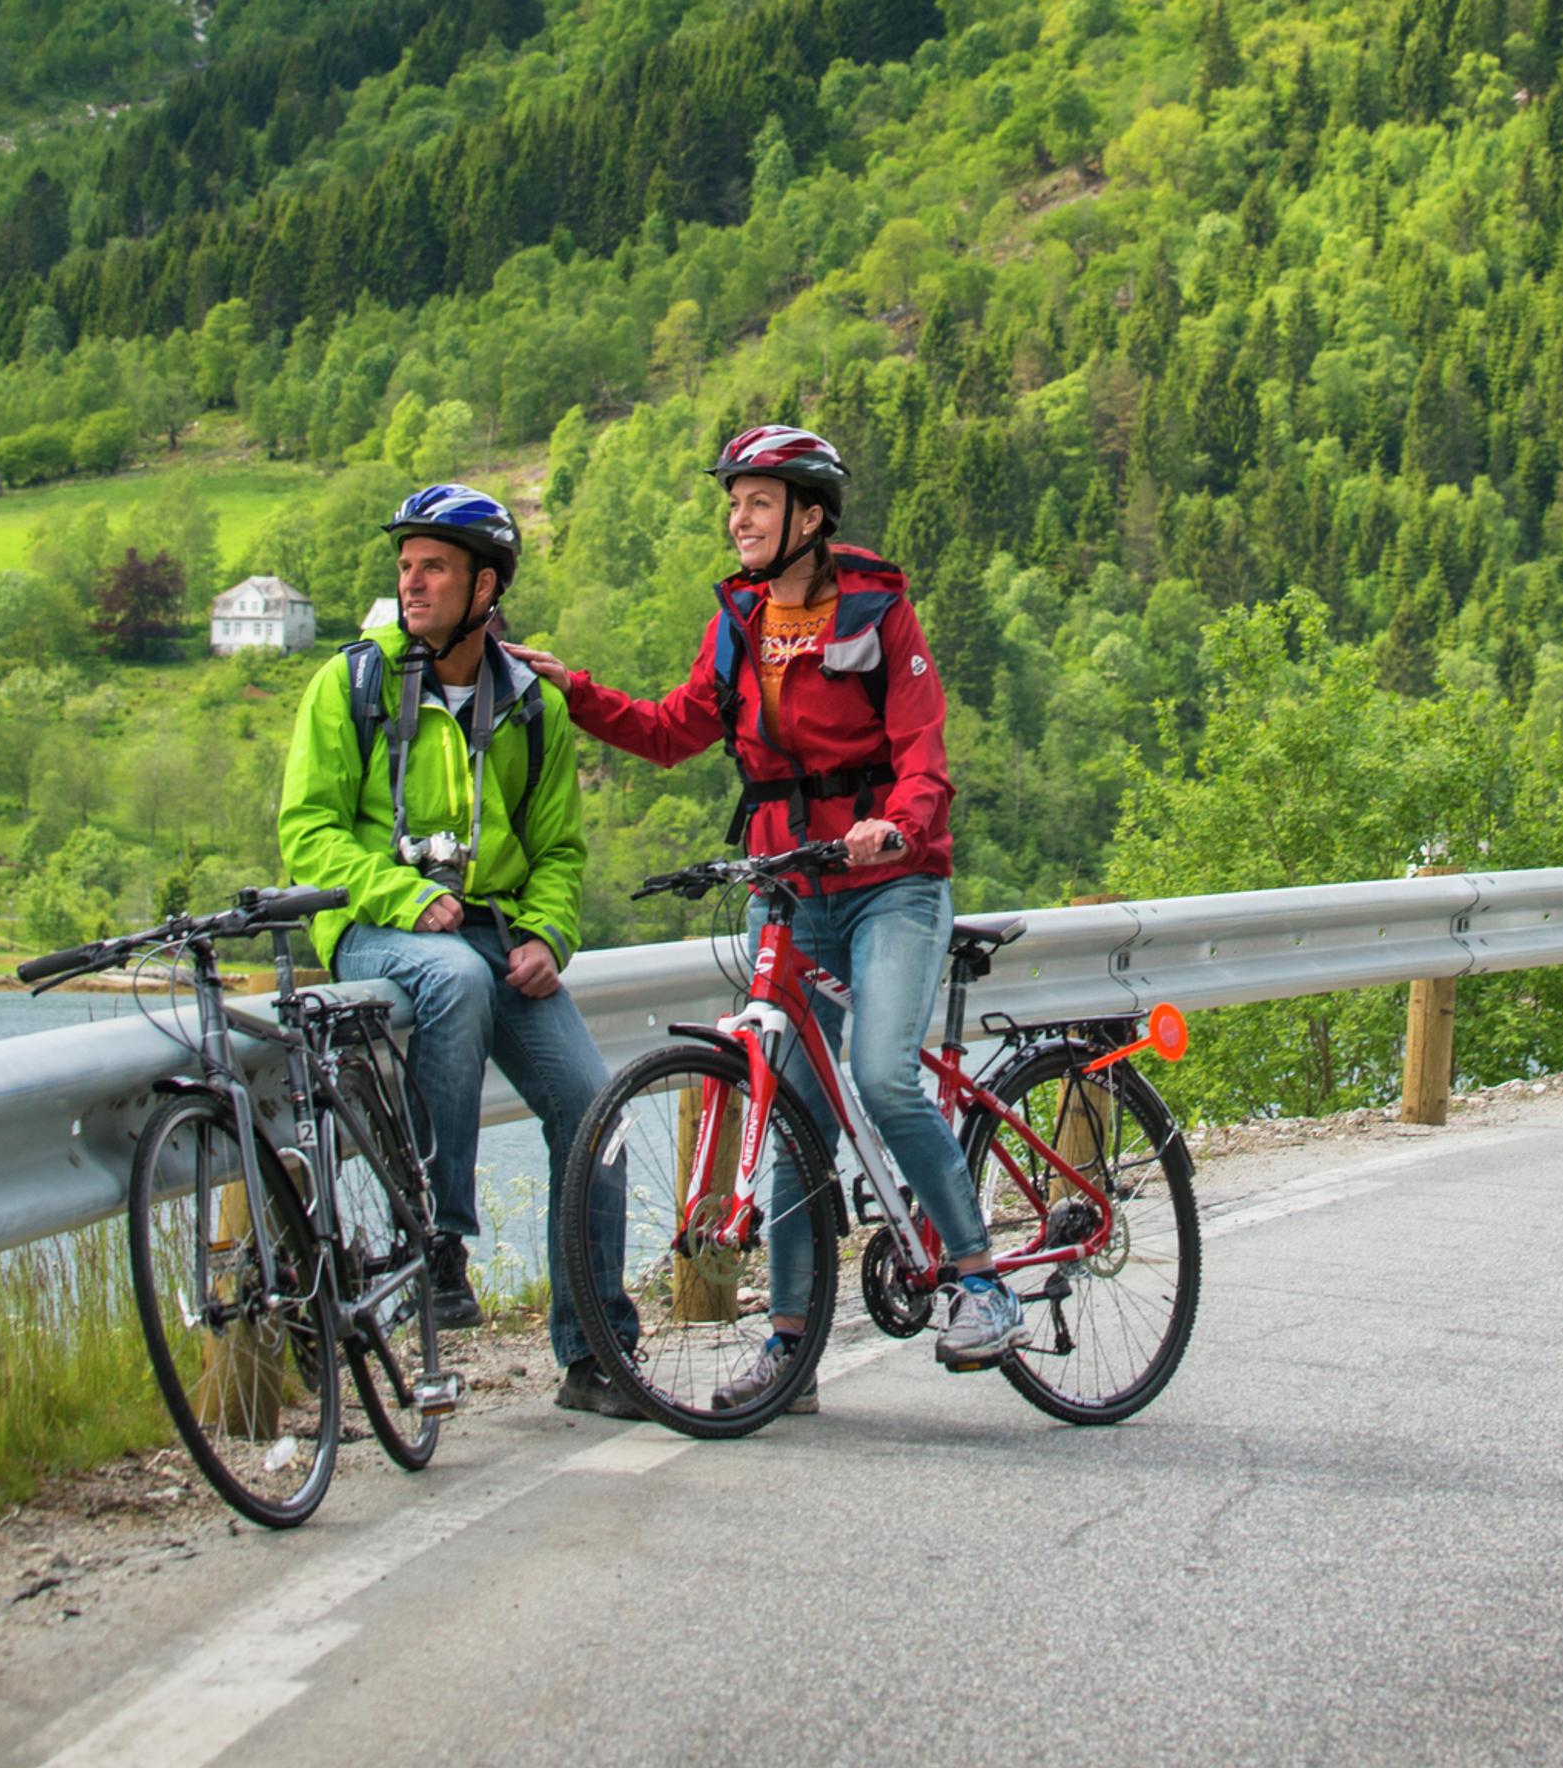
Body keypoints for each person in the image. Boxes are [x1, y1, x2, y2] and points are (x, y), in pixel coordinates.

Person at [512, 422, 1014, 1412]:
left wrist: (895, 828)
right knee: (791, 1124)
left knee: (879, 1072)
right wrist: (575, 693)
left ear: (811, 515)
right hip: (788, 890)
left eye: (758, 501)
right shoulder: (739, 622)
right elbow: (671, 731)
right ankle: (792, 1351)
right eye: (733, 501)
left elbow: (925, 757)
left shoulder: (879, 615)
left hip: (891, 887)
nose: (739, 518)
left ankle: (979, 1279)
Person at [274, 481, 642, 1418]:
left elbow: (559, 850)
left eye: (433, 566)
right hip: (378, 931)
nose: (412, 582)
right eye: (404, 566)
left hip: (497, 936)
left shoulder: (532, 708)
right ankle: (439, 1242)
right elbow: (309, 832)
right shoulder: (350, 684)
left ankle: (597, 1354)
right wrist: (402, 895)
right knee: (450, 981)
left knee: (598, 1110)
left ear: (486, 586)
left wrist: (549, 934)